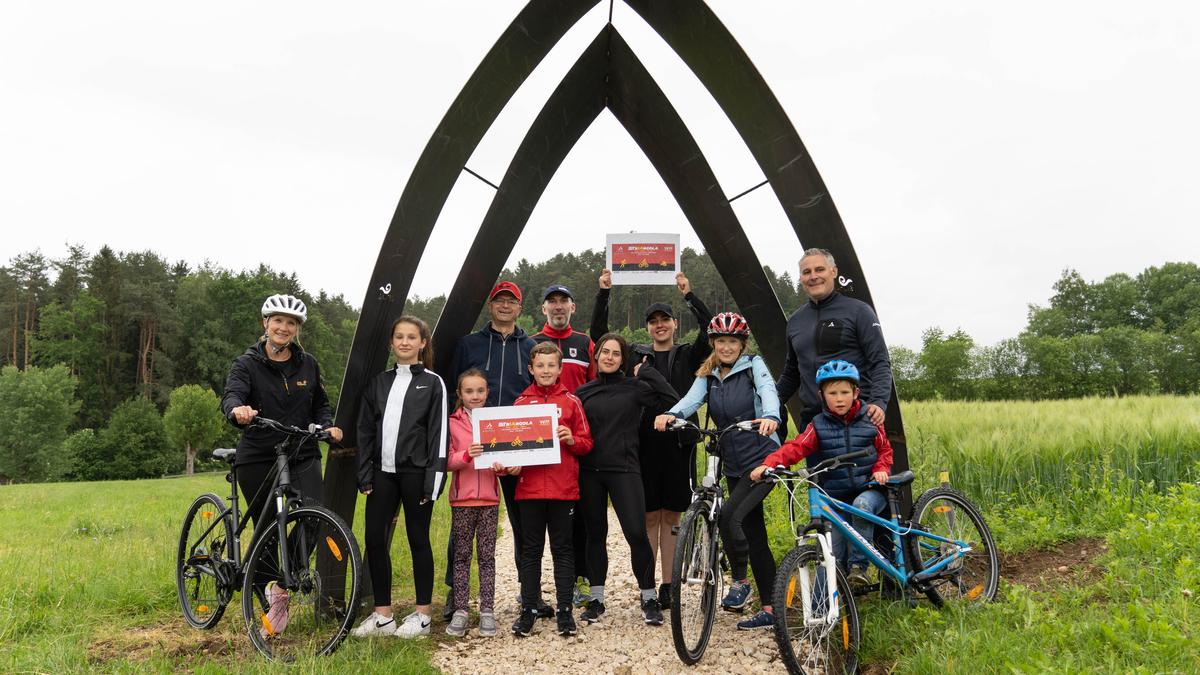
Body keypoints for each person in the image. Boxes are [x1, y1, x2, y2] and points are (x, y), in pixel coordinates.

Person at [220, 294, 343, 638]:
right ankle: (273, 590)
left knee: (314, 514)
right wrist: (238, 411)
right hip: (259, 453)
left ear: (297, 329)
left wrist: (327, 424)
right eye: (278, 321)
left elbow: (320, 404)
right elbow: (231, 396)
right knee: (268, 528)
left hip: (301, 450)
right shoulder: (246, 364)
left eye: (291, 323)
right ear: (266, 324)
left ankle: (283, 584)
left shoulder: (308, 364)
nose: (284, 328)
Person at [653, 312, 781, 631]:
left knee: (728, 516)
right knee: (755, 533)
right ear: (713, 343)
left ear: (742, 344)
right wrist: (671, 414)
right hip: (734, 462)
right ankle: (770, 608)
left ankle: (739, 582)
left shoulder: (754, 366)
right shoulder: (708, 373)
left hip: (762, 457)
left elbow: (769, 392)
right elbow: (691, 400)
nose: (726, 347)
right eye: (721, 341)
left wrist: (770, 417)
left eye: (732, 341)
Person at [591, 269, 713, 604]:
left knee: (673, 514)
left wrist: (689, 295)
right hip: (642, 443)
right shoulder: (637, 355)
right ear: (647, 327)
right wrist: (604, 294)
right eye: (653, 321)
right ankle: (647, 584)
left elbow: (711, 328)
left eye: (665, 320)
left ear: (674, 323)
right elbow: (600, 337)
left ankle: (669, 584)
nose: (659, 325)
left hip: (678, 443)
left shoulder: (690, 354)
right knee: (647, 515)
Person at [444, 281, 542, 620]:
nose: (504, 306)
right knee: (464, 521)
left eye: (511, 301)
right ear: (491, 305)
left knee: (524, 522)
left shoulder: (531, 346)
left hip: (514, 444)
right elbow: (452, 389)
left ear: (519, 307)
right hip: (473, 443)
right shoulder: (468, 344)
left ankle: (529, 593)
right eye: (499, 300)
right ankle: (454, 594)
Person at [751, 360, 894, 586]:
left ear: (856, 392)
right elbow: (796, 447)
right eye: (833, 393)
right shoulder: (818, 424)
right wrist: (769, 463)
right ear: (822, 395)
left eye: (845, 392)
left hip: (870, 490)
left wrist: (881, 470)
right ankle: (820, 612)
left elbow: (885, 449)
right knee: (829, 555)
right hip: (837, 498)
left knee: (862, 506)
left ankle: (859, 568)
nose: (839, 398)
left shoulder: (870, 419)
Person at [352, 316, 448, 639]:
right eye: (399, 337)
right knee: (375, 540)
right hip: (381, 475)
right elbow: (364, 430)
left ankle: (422, 616)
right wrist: (365, 473)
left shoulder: (434, 383)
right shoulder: (378, 383)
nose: (405, 342)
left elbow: (439, 434)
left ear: (423, 343)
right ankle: (383, 616)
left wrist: (433, 481)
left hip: (416, 474)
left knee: (418, 538)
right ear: (391, 342)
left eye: (412, 337)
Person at [574, 333, 677, 626]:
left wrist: (646, 371)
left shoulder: (636, 389)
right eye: (604, 352)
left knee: (636, 534)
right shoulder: (583, 393)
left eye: (616, 354)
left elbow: (672, 400)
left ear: (623, 359)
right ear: (596, 357)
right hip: (590, 472)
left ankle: (648, 597)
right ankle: (596, 599)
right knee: (595, 535)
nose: (609, 357)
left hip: (625, 470)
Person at [506, 342, 593, 638]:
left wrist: (570, 438)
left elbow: (586, 443)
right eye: (539, 366)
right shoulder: (520, 404)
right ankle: (529, 609)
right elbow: (510, 449)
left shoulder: (571, 402)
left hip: (562, 489)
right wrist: (511, 465)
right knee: (531, 551)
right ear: (531, 369)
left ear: (560, 369)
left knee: (563, 551)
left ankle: (566, 612)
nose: (545, 371)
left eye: (551, 366)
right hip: (529, 490)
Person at [775, 247, 893, 432]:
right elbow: (791, 374)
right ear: (801, 278)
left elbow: (879, 362)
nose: (813, 276)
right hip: (813, 424)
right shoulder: (795, 321)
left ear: (834, 272)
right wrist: (767, 404)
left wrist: (878, 402)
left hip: (856, 420)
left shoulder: (859, 311)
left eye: (819, 269)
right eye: (806, 272)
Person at [532, 283, 596, 602]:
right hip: (539, 447)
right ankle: (531, 590)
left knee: (578, 518)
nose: (558, 306)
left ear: (573, 307)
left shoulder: (585, 342)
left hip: (575, 441)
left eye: (564, 301)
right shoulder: (531, 343)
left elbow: (595, 385)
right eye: (552, 302)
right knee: (532, 522)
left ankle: (577, 581)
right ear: (543, 309)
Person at [443, 369, 501, 638]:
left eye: (480, 391)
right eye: (469, 391)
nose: (475, 396)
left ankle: (487, 610)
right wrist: (467, 454)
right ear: (460, 394)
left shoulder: (497, 422)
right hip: (462, 500)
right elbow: (447, 461)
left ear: (487, 392)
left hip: (489, 499)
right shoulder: (452, 423)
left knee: (487, 557)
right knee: (462, 556)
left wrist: (504, 467)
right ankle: (461, 610)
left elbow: (508, 459)